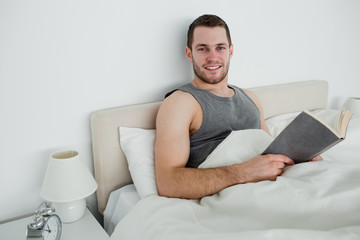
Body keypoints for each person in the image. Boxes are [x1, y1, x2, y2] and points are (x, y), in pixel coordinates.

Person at [155, 14, 320, 199]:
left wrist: (299, 157)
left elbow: (270, 152)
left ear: (230, 51)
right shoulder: (181, 103)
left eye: (220, 48)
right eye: (203, 49)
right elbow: (168, 183)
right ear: (189, 54)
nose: (213, 57)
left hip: (275, 185)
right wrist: (243, 172)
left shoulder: (251, 98)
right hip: (238, 195)